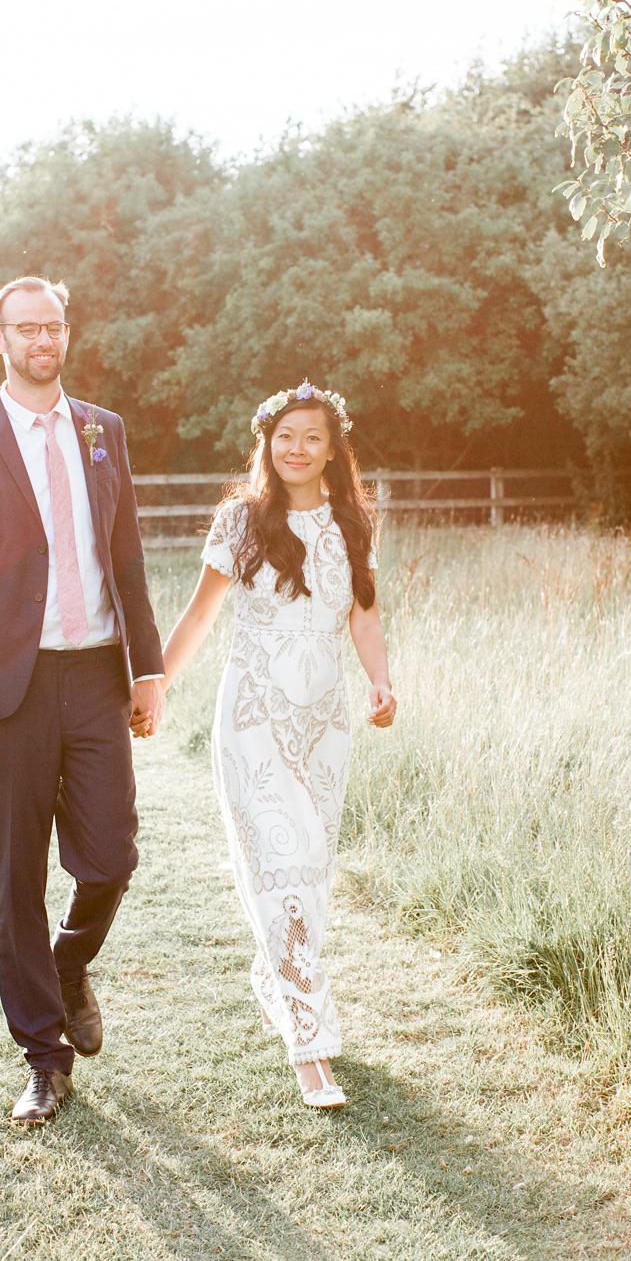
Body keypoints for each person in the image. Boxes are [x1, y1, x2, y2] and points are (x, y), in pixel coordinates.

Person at [0, 275, 165, 1126]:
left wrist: (149, 668)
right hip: (5, 692)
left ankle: (68, 965)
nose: (42, 340)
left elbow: (127, 557)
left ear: (67, 332)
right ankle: (44, 1057)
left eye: (53, 326)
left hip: (97, 675)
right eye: (25, 327)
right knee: (15, 875)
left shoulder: (104, 431)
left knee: (111, 859)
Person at [161, 380, 396, 1108]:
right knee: (276, 867)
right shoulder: (239, 521)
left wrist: (382, 682)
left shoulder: (356, 519)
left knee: (312, 871)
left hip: (324, 723)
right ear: (267, 442)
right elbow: (201, 616)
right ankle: (311, 1046)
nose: (296, 449)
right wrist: (155, 685)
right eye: (285, 436)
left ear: (333, 448)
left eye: (312, 437)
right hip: (253, 717)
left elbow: (363, 616)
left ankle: (274, 976)